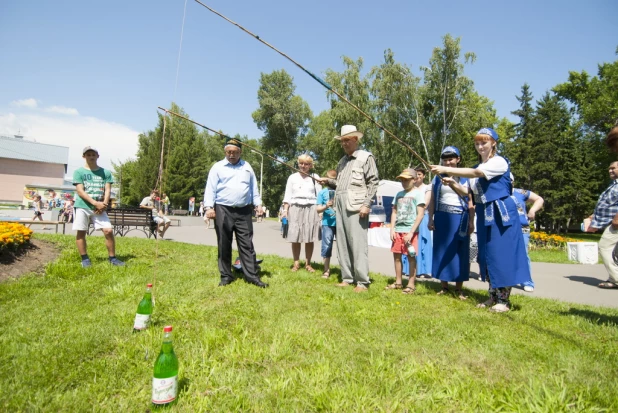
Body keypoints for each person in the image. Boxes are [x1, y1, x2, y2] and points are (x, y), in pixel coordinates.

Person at [431, 128, 531, 312]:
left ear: (493, 143)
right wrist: (452, 183)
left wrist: (445, 168)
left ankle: (504, 300)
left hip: (502, 214)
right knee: (487, 255)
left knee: (501, 254)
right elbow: (468, 193)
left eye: (484, 142)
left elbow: (476, 174)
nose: (480, 146)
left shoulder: (498, 162)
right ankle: (493, 297)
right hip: (485, 214)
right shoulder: (480, 166)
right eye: (477, 143)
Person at [322, 125, 379, 293]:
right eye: (342, 141)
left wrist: (367, 204)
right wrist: (328, 181)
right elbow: (340, 183)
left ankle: (362, 282)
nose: (344, 144)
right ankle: (347, 278)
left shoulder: (365, 157)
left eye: (347, 140)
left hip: (356, 205)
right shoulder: (342, 161)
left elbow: (373, 182)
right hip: (340, 204)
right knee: (342, 243)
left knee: (358, 244)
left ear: (355, 139)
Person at [204, 137, 267, 288]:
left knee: (246, 244)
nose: (231, 155)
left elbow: (254, 188)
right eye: (228, 152)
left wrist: (258, 204)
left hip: (244, 210)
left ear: (240, 152)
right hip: (223, 208)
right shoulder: (217, 167)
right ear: (225, 152)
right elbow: (210, 188)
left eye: (234, 152)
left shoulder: (247, 166)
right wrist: (209, 208)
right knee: (224, 243)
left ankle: (252, 276)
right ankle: (226, 276)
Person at [427, 146, 474, 299]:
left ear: (458, 159)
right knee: (442, 250)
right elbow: (433, 199)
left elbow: (469, 198)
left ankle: (459, 288)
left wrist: (471, 221)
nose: (448, 162)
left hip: (460, 217)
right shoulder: (437, 177)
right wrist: (430, 218)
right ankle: (444, 286)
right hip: (442, 217)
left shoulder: (466, 177)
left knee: (460, 252)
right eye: (445, 159)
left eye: (451, 159)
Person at [72, 146, 125, 268]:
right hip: (82, 206)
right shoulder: (79, 172)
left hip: (100, 207)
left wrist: (104, 204)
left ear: (97, 156)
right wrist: (95, 203)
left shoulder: (105, 172)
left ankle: (112, 258)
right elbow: (80, 191)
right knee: (81, 232)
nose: (91, 156)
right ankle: (85, 259)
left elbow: (108, 189)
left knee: (108, 230)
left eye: (93, 154)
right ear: (84, 156)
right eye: (88, 154)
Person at [385, 168, 426, 294]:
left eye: (406, 180)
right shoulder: (399, 194)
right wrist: (392, 229)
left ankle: (411, 284)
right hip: (398, 230)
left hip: (410, 231)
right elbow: (394, 212)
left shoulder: (418, 194)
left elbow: (420, 214)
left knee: (411, 257)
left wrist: (411, 232)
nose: (404, 182)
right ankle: (398, 282)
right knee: (396, 256)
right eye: (402, 180)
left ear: (414, 180)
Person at [281, 154, 322, 272]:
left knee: (309, 237)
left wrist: (320, 212)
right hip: (295, 208)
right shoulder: (292, 177)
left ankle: (308, 264)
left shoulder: (315, 177)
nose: (303, 166)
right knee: (295, 236)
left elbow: (319, 197)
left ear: (310, 165)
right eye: (301, 163)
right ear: (298, 163)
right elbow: (287, 195)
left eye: (306, 164)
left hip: (311, 208)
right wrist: (285, 210)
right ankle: (296, 263)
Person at [586, 161, 618, 289]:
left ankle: (616, 278)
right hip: (613, 222)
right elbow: (609, 205)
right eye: (609, 169)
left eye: (613, 168)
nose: (610, 171)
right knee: (613, 251)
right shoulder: (613, 185)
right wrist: (594, 217)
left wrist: (617, 219)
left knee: (605, 246)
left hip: (616, 224)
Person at [511, 174, 544, 292]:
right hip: (504, 228)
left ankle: (527, 281)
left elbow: (539, 199)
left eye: (509, 180)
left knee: (523, 255)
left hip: (521, 227)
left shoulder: (521, 192)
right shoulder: (496, 193)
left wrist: (532, 210)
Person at [316, 170, 337, 278]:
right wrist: (326, 206)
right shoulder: (322, 192)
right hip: (327, 223)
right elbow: (318, 209)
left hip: (341, 223)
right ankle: (326, 270)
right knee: (327, 245)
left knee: (343, 247)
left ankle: (346, 271)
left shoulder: (340, 190)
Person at [413, 166, 433, 279]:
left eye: (420, 174)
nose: (418, 176)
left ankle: (424, 270)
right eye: (416, 174)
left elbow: (425, 203)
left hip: (423, 217)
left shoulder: (427, 188)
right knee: (412, 243)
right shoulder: (411, 187)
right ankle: (411, 269)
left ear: (424, 176)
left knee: (423, 243)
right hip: (411, 218)